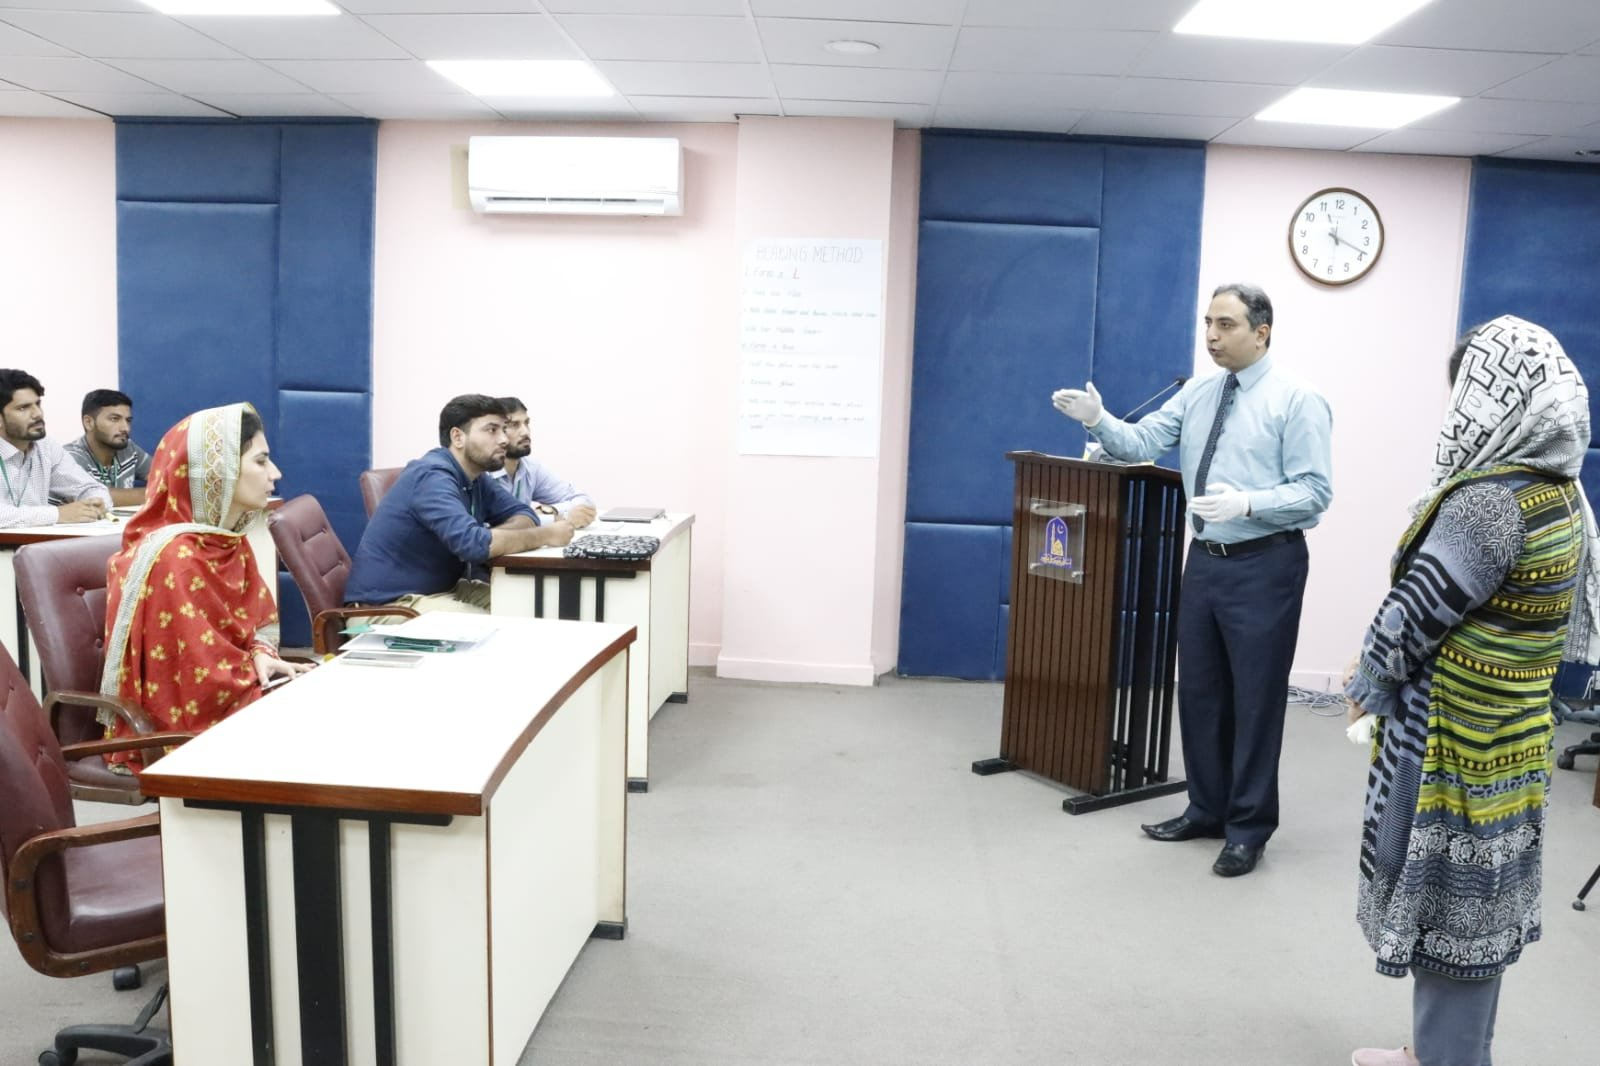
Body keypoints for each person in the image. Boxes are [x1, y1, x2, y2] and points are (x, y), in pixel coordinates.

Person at [1344, 316, 1598, 1066]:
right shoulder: (1561, 495)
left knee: (1449, 907)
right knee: (1475, 911)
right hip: (1510, 738)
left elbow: (1411, 616)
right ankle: (1439, 1052)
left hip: (1451, 745)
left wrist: (1367, 683)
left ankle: (1448, 1059)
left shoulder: (1490, 503)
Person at [1052, 283, 1333, 877]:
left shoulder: (1298, 400)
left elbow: (1314, 493)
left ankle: (1248, 827)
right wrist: (1099, 419)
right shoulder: (1201, 392)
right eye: (1208, 322)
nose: (1211, 335)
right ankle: (1206, 808)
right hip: (1205, 559)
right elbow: (1143, 442)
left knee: (1255, 700)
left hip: (1266, 563)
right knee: (1200, 692)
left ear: (1261, 332)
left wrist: (1250, 503)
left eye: (1226, 325)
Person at [99, 403, 312, 771]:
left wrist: (261, 654)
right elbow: (203, 680)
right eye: (261, 461)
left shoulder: (225, 540)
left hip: (231, 695)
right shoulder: (175, 559)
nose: (275, 473)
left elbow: (255, 622)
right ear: (218, 472)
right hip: (188, 732)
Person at [345, 394, 575, 613]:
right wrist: (546, 535)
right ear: (458, 437)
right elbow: (473, 545)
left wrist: (492, 539)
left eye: (504, 429)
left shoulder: (475, 477)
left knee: (534, 608)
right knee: (498, 629)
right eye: (492, 430)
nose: (504, 439)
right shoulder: (432, 476)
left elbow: (524, 514)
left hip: (444, 591)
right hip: (390, 604)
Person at [0, 368, 111, 527]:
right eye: (23, 408)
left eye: (37, 404)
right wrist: (57, 514)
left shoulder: (46, 447)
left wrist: (96, 502)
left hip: (36, 541)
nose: (37, 414)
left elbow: (90, 487)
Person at [488, 396, 597, 528]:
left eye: (526, 423)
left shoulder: (531, 467)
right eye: (514, 425)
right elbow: (488, 526)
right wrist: (550, 519)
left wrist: (551, 511)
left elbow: (585, 502)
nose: (525, 432)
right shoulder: (482, 473)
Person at [60, 388, 152, 507]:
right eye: (114, 419)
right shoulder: (69, 457)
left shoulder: (129, 449)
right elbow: (94, 497)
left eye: (128, 420)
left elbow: (164, 478)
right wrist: (155, 493)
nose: (125, 428)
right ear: (89, 422)